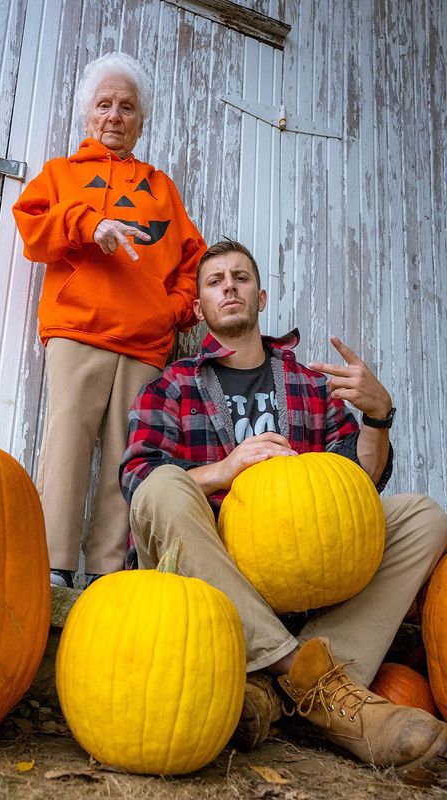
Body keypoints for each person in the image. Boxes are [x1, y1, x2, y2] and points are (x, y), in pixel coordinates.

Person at [120, 238, 447, 771]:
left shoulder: (308, 383)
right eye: (215, 280)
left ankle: (277, 694)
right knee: (162, 487)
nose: (229, 286)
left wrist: (379, 417)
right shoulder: (171, 387)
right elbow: (137, 480)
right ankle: (316, 681)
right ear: (199, 308)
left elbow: (358, 485)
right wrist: (225, 470)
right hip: (215, 563)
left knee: (422, 516)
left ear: (261, 297)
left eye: (241, 278)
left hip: (299, 561)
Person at [13, 52, 205, 589]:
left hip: (145, 343)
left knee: (127, 451)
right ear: (87, 115)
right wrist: (88, 225)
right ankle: (54, 564)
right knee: (68, 440)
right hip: (79, 330)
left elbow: (193, 259)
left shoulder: (160, 187)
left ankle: (105, 572)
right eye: (105, 105)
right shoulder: (60, 175)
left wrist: (173, 310)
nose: (115, 115)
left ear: (141, 121)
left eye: (127, 107)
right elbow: (32, 229)